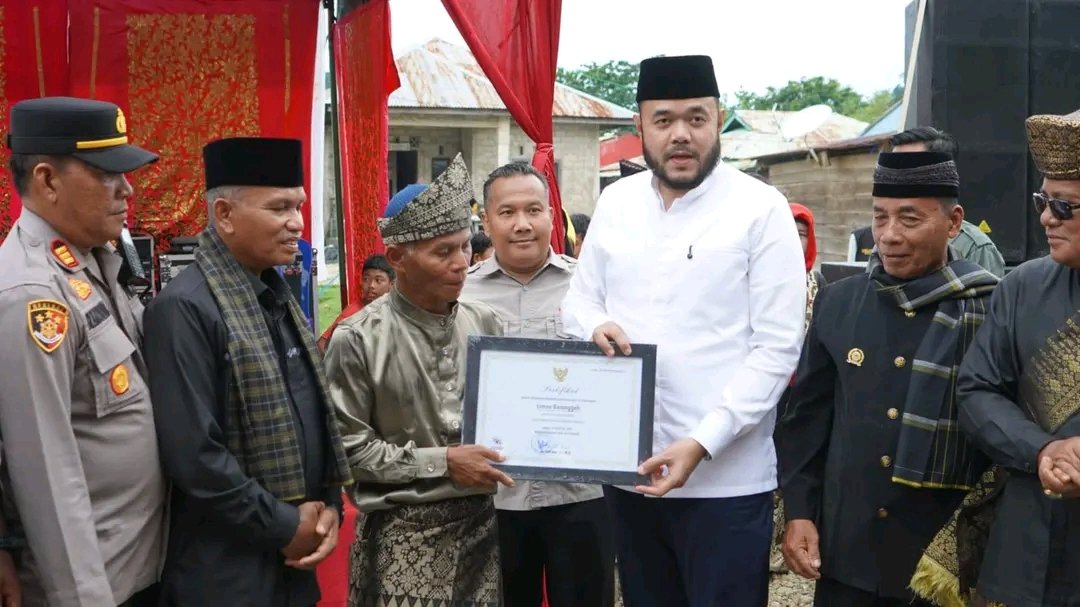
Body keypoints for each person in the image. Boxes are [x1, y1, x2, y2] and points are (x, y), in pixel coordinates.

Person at [562, 54, 806, 606]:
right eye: (664, 119)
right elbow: (578, 299)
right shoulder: (617, 202)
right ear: (639, 128)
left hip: (726, 483)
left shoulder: (760, 209)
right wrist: (594, 323)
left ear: (718, 120)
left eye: (696, 119)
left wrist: (702, 442)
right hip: (630, 474)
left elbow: (776, 350)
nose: (680, 135)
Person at [778, 151, 998, 606]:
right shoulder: (839, 303)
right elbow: (806, 422)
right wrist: (799, 513)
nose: (890, 236)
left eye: (909, 219)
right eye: (880, 219)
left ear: (953, 222)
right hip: (848, 554)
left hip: (940, 563)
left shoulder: (990, 310)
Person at [143, 137, 353, 607]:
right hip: (225, 573)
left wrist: (329, 510)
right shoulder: (184, 309)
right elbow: (195, 457)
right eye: (279, 208)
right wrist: (283, 526)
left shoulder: (275, 296)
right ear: (224, 215)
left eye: (298, 206)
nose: (295, 223)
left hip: (293, 563)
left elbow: (314, 419)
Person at [0, 96, 167, 606]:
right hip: (99, 584)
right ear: (48, 180)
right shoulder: (33, 295)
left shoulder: (93, 259)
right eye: (106, 174)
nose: (127, 189)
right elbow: (46, 473)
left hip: (141, 565)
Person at [324, 153, 511, 606]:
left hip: (483, 529)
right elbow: (349, 453)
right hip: (401, 535)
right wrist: (444, 462)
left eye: (465, 246)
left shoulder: (485, 322)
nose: (461, 263)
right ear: (397, 258)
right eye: (442, 252)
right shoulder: (357, 338)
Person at [461, 162, 614, 606]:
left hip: (582, 493)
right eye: (507, 212)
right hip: (494, 497)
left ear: (553, 214)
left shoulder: (591, 291)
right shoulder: (460, 295)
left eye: (534, 210)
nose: (522, 224)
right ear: (486, 222)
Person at [956, 107, 1080, 606]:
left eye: (1065, 206)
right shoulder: (1022, 287)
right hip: (1031, 540)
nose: (1047, 218)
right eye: (1042, 202)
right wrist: (1041, 450)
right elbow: (977, 389)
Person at [847, 128, 1007, 277]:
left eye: (909, 219)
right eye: (895, 163)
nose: (897, 173)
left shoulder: (975, 247)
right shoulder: (886, 243)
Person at [770, 202, 828, 573]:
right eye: (788, 229)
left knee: (792, 464)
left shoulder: (820, 286)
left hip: (803, 390)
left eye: (802, 231)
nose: (796, 237)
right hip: (769, 390)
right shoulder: (762, 282)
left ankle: (785, 541)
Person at [316, 254, 395, 352]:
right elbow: (322, 345)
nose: (371, 285)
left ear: (391, 285)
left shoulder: (396, 309)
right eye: (366, 279)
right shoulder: (353, 313)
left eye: (378, 280)